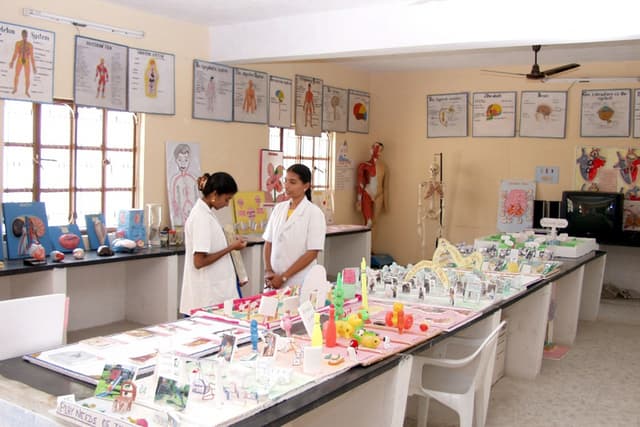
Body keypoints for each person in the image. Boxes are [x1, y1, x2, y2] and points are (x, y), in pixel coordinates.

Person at [179, 172, 247, 315]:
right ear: (215, 194)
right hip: (207, 296)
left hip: (215, 290)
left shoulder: (206, 213)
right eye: (227, 199)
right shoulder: (201, 217)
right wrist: (231, 247)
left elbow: (212, 244)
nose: (227, 204)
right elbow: (199, 261)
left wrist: (229, 241)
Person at [263, 164, 326, 289]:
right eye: (285, 181)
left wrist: (284, 277)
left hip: (299, 280)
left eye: (292, 182)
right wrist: (269, 270)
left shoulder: (314, 213)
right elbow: (268, 242)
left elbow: (312, 253)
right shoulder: (279, 209)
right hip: (273, 278)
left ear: (306, 186)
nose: (286, 185)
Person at [356, 142, 387, 227]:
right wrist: (359, 200)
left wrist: (386, 203)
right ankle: (366, 236)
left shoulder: (383, 166)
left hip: (379, 195)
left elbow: (385, 185)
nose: (377, 151)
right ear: (371, 149)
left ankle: (371, 237)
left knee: (375, 222)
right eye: (375, 148)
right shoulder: (363, 165)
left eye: (379, 150)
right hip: (367, 193)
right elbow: (360, 183)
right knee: (368, 222)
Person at [169, 144, 199, 227]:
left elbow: (197, 197)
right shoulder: (174, 180)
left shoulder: (193, 179)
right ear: (176, 160)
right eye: (179, 160)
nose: (183, 163)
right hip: (180, 218)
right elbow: (174, 201)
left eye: (186, 160)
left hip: (194, 215)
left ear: (190, 160)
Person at [10, 29, 37, 97]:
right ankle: (15, 88)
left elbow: (32, 57)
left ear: (27, 36)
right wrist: (12, 61)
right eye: (23, 35)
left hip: (27, 61)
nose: (24, 36)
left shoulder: (30, 45)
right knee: (16, 75)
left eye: (25, 35)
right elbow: (15, 53)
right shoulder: (18, 43)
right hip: (19, 60)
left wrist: (34, 67)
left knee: (27, 77)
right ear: (22, 35)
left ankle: (26, 91)